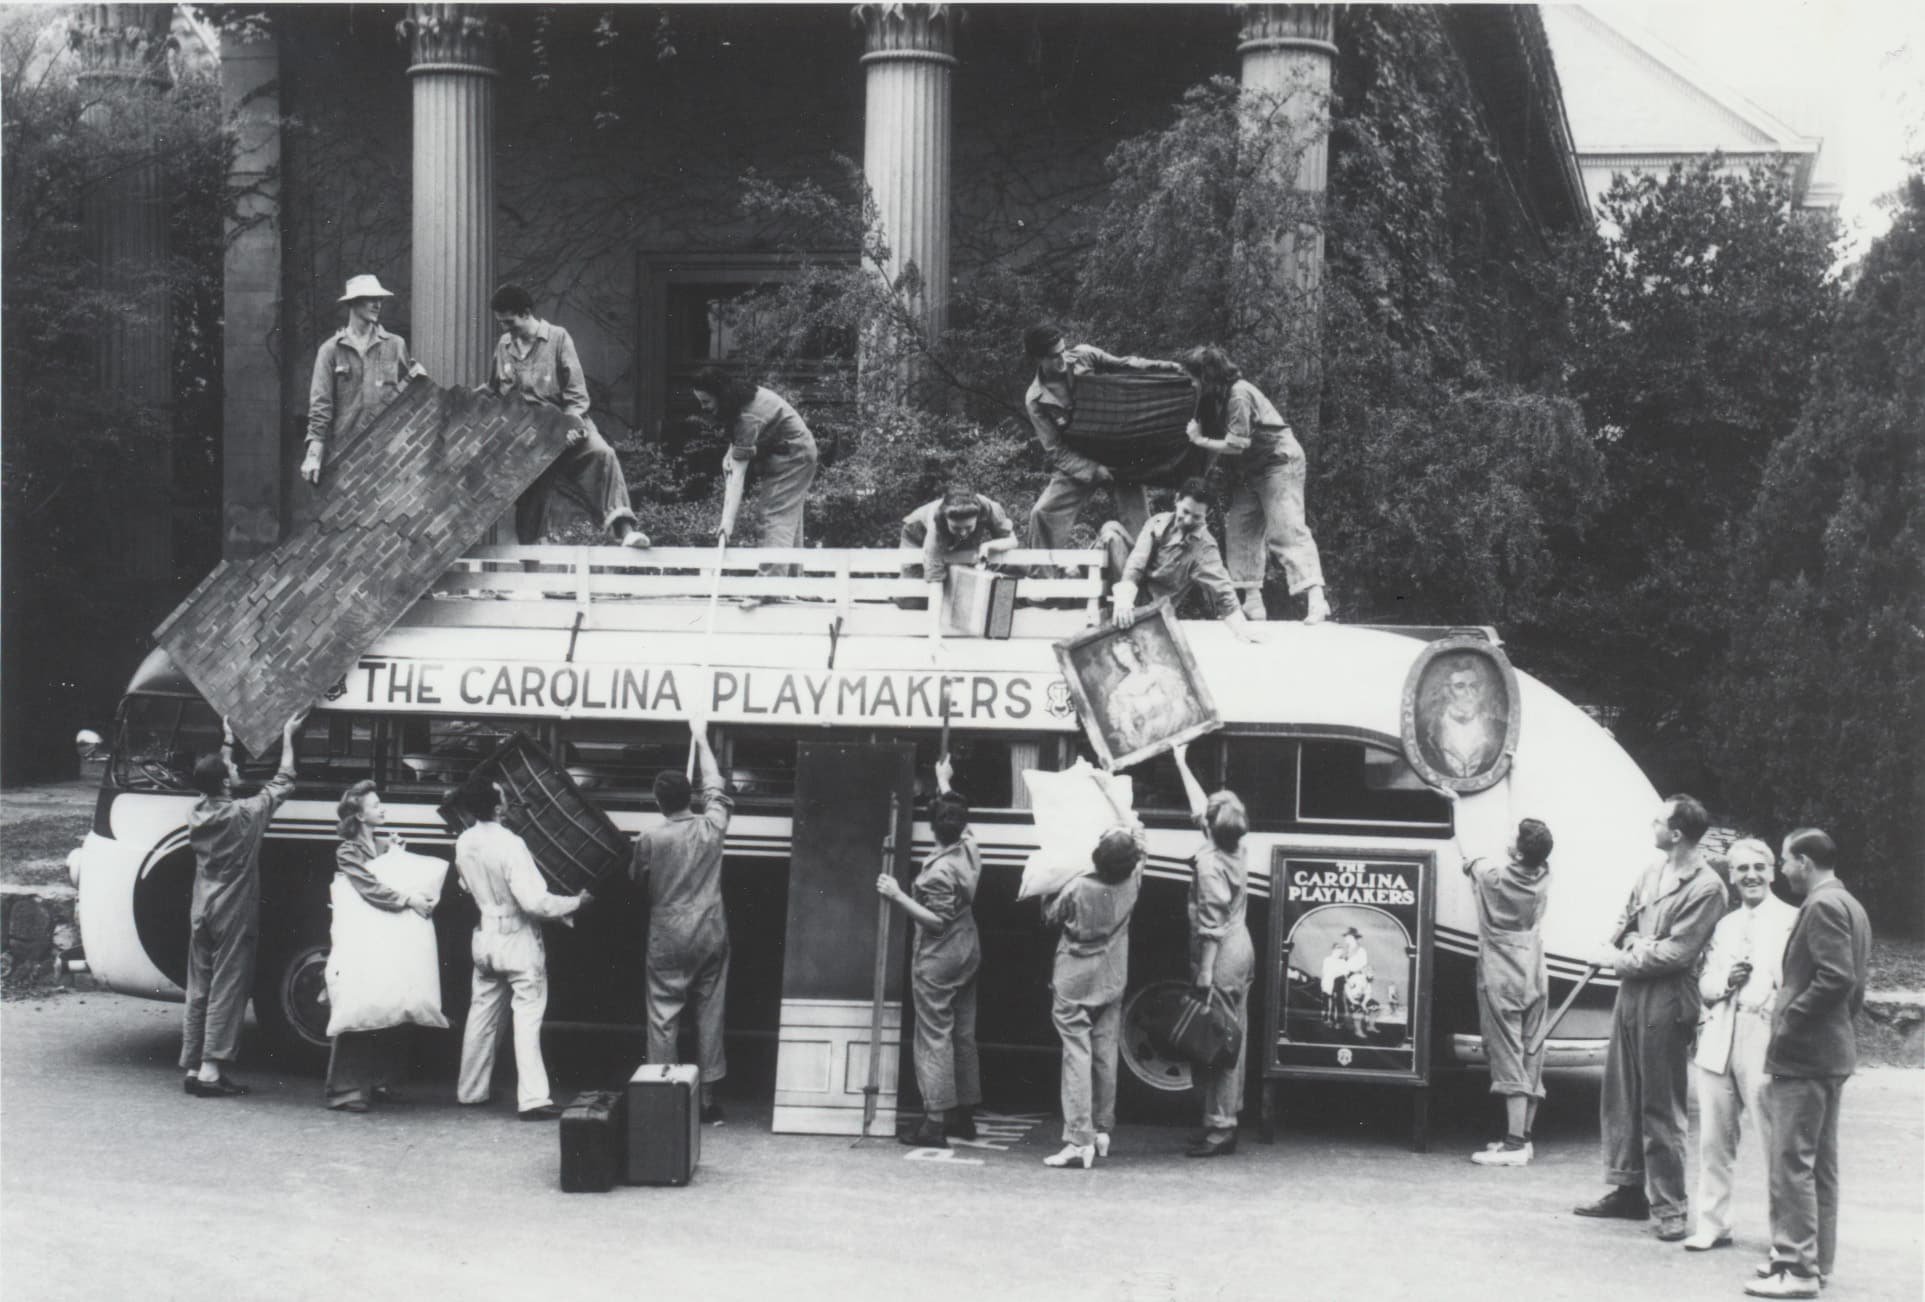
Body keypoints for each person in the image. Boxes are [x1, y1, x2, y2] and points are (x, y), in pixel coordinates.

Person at [1574, 794, 1727, 1241]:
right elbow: (1627, 922)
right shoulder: (1650, 872)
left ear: (1676, 832)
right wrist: (1618, 946)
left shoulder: (1707, 887)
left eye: (1658, 820)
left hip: (1667, 999)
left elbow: (1678, 952)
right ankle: (1628, 1192)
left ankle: (1672, 1207)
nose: (1652, 825)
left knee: (1660, 1105)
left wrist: (1623, 957)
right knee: (1621, 1096)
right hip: (1632, 994)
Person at [1745, 829, 1871, 1299]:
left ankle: (1797, 1269)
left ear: (1803, 861)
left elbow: (1837, 977)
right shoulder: (1848, 903)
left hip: (1806, 1056)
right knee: (1819, 1164)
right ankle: (1813, 1261)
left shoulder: (1820, 906)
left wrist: (1790, 1021)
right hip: (1829, 1052)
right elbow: (1851, 985)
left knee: (1792, 1161)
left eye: (1784, 861)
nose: (1781, 869)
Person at [179, 711, 306, 1098]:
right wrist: (288, 737)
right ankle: (211, 1071)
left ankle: (194, 1062)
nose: (236, 771)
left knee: (199, 985)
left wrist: (228, 740)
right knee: (228, 986)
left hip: (202, 906)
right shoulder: (244, 816)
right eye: (231, 769)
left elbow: (214, 776)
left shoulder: (198, 812)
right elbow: (283, 782)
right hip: (233, 909)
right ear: (223, 781)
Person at [450, 776, 591, 1120]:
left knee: (481, 1015)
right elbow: (534, 903)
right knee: (527, 1016)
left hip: (485, 935)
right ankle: (532, 1099)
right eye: (504, 796)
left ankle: (471, 1090)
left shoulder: (464, 841)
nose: (509, 800)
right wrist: (576, 903)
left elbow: (464, 884)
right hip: (517, 937)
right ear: (498, 807)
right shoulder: (512, 844)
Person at [1685, 839, 1797, 1248]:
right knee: (1714, 1138)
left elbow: (1795, 983)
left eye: (1758, 867)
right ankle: (1713, 1223)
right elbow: (1705, 982)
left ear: (1771, 871)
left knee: (1775, 1138)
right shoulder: (1725, 925)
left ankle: (1785, 1232)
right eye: (1741, 869)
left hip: (1764, 1034)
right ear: (1731, 876)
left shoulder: (1792, 919)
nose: (1750, 875)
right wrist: (1723, 982)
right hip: (1718, 1034)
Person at [486, 284, 650, 550]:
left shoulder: (558, 338)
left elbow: (577, 393)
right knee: (530, 494)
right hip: (528, 435)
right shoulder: (504, 345)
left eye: (510, 322)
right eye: (501, 323)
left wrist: (572, 425)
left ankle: (626, 531)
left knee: (602, 454)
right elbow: (494, 391)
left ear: (526, 313)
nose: (506, 329)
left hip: (566, 425)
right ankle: (530, 574)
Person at [1177, 346, 1329, 623]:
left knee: (1286, 529)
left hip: (1278, 462)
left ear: (1207, 375)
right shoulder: (1213, 401)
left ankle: (1317, 599)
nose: (1191, 384)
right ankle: (1253, 603)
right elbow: (1218, 449)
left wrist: (1198, 440)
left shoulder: (1238, 393)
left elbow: (1236, 444)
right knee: (1240, 529)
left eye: (1194, 377)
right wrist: (1200, 478)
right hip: (1249, 471)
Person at [876, 755, 982, 1149]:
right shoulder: (968, 848)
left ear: (932, 828)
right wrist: (944, 781)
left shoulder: (938, 871)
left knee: (934, 1035)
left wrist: (898, 893)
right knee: (964, 1034)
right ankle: (965, 1114)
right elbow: (957, 816)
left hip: (939, 953)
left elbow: (935, 921)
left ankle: (934, 1122)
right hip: (968, 947)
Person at [631, 717, 733, 1125]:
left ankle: (665, 1096)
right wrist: (702, 737)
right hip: (710, 929)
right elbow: (716, 784)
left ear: (658, 802)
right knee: (710, 1012)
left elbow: (636, 879)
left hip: (667, 934)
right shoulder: (713, 826)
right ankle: (707, 1100)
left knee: (663, 1014)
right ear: (690, 797)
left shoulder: (651, 837)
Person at [1022, 324, 1187, 551]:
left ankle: (1141, 579)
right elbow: (1055, 450)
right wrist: (1093, 470)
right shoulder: (1036, 399)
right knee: (1043, 513)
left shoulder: (1084, 356)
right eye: (1053, 356)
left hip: (1119, 453)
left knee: (1139, 523)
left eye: (1063, 351)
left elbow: (1126, 364)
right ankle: (1044, 579)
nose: (1062, 359)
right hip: (1079, 462)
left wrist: (1168, 367)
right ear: (1037, 359)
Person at [325, 780, 436, 1113]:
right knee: (359, 1007)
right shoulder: (348, 850)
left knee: (387, 1004)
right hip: (362, 938)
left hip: (382, 936)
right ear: (359, 815)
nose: (382, 809)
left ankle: (379, 1082)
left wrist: (396, 852)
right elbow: (369, 887)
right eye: (375, 806)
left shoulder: (382, 844)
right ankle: (345, 1089)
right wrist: (408, 899)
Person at [1043, 822, 1144, 1169]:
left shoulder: (1078, 887)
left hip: (1074, 977)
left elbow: (1049, 914)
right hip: (1113, 974)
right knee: (1105, 1052)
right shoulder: (1134, 879)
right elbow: (1140, 843)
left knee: (1077, 1054)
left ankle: (1078, 1139)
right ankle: (1102, 1131)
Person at [1172, 743, 1254, 1158]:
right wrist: (1182, 761)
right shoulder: (1235, 846)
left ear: (1209, 827)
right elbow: (1203, 809)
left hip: (1220, 957)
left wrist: (1204, 973)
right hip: (1243, 950)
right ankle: (1224, 1116)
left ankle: (1221, 1129)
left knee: (1218, 1045)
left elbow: (1211, 927)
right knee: (1230, 1038)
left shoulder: (1208, 865)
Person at [1462, 815, 1556, 1166]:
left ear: (1517, 854)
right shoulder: (1544, 876)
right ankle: (1525, 1138)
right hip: (1534, 970)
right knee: (1533, 1051)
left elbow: (1468, 851)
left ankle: (1514, 1145)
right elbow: (1532, 855)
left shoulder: (1493, 879)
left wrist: (1458, 807)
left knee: (1507, 1055)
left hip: (1502, 975)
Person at [302, 274, 427, 486]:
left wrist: (420, 381)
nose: (377, 304)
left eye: (380, 299)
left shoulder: (395, 345)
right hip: (344, 455)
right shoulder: (330, 350)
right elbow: (320, 406)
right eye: (370, 298)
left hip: (387, 454)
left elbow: (411, 398)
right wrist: (314, 455)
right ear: (352, 302)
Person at [691, 367, 819, 575]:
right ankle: (794, 583)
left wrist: (727, 523)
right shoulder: (741, 397)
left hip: (794, 456)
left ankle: (768, 587)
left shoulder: (747, 418)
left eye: (706, 401)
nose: (704, 408)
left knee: (772, 515)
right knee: (788, 517)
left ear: (721, 395)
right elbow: (742, 435)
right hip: (792, 452)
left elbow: (738, 476)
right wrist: (730, 452)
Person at [1108, 478, 1263, 644]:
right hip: (1126, 592)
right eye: (1185, 512)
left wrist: (1241, 628)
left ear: (1207, 514)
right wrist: (1124, 598)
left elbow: (1223, 591)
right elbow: (1136, 562)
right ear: (1176, 500)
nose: (1188, 520)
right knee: (1111, 530)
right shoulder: (1157, 523)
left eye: (1197, 517)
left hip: (1152, 609)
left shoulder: (1204, 549)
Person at [899, 487, 1018, 624]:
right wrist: (935, 637)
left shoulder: (990, 507)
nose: (962, 533)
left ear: (978, 517)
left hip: (954, 541)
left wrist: (987, 546)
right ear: (946, 518)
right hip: (916, 533)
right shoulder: (935, 528)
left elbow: (1012, 541)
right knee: (912, 600)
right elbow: (935, 580)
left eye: (968, 527)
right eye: (956, 527)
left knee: (962, 591)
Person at [1103, 636, 1191, 761]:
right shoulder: (1123, 687)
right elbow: (1125, 718)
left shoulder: (1158, 672)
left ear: (1135, 649)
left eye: (1124, 652)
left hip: (1174, 728)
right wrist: (1128, 723)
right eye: (1118, 655)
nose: (1123, 658)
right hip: (1149, 740)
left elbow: (1179, 702)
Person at [1427, 660, 1502, 779]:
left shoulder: (1499, 729)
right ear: (1446, 691)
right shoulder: (1427, 731)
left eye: (1473, 686)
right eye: (1460, 686)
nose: (1469, 693)